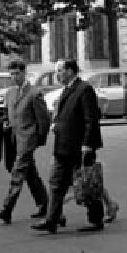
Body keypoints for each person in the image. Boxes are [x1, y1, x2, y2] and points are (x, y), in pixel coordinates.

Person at [32, 58, 105, 234]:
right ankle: (52, 220)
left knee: (87, 183)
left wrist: (87, 144)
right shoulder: (67, 90)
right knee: (56, 183)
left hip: (79, 147)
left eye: (60, 71)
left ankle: (96, 220)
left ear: (70, 71)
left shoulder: (84, 89)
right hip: (62, 147)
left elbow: (90, 119)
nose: (57, 74)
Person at [0, 58, 51, 225]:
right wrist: (6, 122)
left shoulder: (34, 93)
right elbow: (11, 113)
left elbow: (44, 119)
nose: (14, 77)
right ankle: (44, 204)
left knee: (17, 174)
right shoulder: (10, 93)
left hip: (28, 139)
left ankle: (7, 209)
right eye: (11, 74)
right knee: (31, 175)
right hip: (15, 138)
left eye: (17, 74)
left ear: (24, 73)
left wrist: (39, 139)